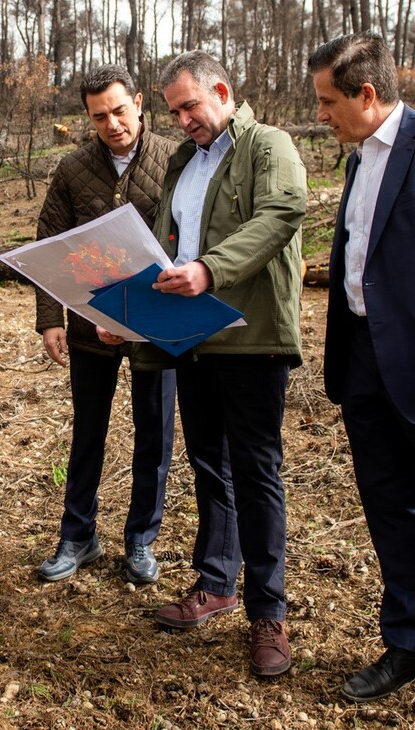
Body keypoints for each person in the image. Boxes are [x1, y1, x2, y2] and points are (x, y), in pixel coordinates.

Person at [110, 51, 306, 676]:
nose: (184, 119)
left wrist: (209, 270)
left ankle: (266, 612)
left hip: (249, 337)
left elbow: (280, 215)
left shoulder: (267, 146)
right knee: (208, 467)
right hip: (190, 339)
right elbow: (169, 251)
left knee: (254, 471)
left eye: (190, 106)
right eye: (174, 111)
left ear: (221, 91)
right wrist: (126, 313)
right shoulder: (183, 161)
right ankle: (217, 582)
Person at [35, 65, 177, 584]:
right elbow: (49, 239)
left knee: (153, 434)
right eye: (99, 117)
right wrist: (51, 319)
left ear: (138, 102)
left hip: (153, 320)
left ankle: (141, 539)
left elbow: (187, 236)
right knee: (87, 430)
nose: (112, 123)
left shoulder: (175, 158)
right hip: (90, 323)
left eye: (119, 110)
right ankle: (78, 535)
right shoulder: (73, 169)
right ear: (88, 118)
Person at [309, 32, 415, 702]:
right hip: (365, 363)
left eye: (328, 103)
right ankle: (406, 641)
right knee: (388, 507)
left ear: (366, 95)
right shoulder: (356, 163)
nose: (322, 116)